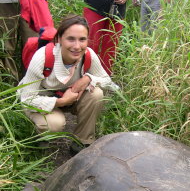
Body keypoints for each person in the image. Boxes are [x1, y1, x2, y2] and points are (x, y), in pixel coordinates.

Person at [18, 15, 118, 155]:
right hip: (41, 101)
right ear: (59, 39)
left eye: (82, 39)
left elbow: (108, 81)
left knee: (96, 94)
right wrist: (61, 101)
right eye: (71, 39)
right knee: (55, 123)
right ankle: (37, 136)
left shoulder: (88, 55)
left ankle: (82, 142)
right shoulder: (43, 57)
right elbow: (27, 99)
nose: (77, 46)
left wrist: (88, 78)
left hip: (70, 97)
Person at [72, 0, 139, 75]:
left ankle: (104, 77)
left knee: (111, 46)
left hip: (117, 12)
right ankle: (81, 74)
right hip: (94, 7)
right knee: (90, 41)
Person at [0, 0, 48, 81]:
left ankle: (31, 85)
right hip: (4, 0)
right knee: (6, 47)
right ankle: (11, 88)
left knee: (33, 44)